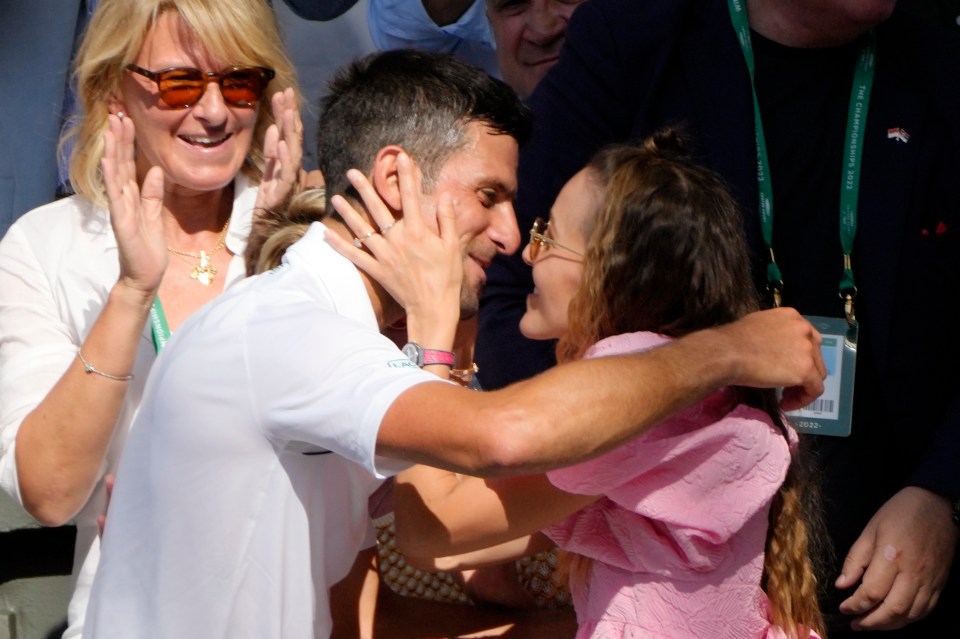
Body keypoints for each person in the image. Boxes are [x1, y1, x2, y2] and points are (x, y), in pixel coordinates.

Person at [82, 49, 825, 638]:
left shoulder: (319, 334)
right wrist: (728, 350)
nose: (509, 239)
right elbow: (488, 455)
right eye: (490, 198)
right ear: (396, 179)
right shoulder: (290, 330)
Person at [474, 0, 960, 636]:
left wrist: (944, 493)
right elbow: (517, 290)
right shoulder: (636, 41)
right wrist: (634, 457)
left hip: (896, 563)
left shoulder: (941, 65)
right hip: (683, 582)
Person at [387, 132, 826, 638]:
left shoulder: (640, 387)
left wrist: (429, 332)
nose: (528, 255)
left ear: (609, 271)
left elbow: (431, 531)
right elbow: (476, 537)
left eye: (547, 236)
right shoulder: (698, 399)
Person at [0, 0, 302, 637]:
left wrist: (283, 256)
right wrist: (134, 290)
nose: (215, 111)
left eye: (240, 82)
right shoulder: (47, 246)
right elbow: (50, 492)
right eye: (180, 84)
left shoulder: (309, 244)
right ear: (114, 93)